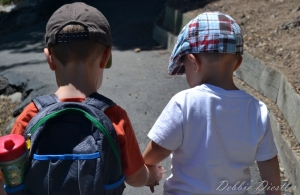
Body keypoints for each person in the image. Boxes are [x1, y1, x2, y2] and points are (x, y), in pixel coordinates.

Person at [0, 2, 163, 194]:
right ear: (106, 57)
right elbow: (135, 177)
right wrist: (152, 175)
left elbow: (8, 179)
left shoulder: (30, 115)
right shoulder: (114, 117)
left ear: (50, 58)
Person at [143, 12, 281, 195]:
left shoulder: (184, 103)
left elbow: (157, 150)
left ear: (193, 62)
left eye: (184, 66)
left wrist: (149, 168)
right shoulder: (257, 110)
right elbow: (269, 162)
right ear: (237, 63)